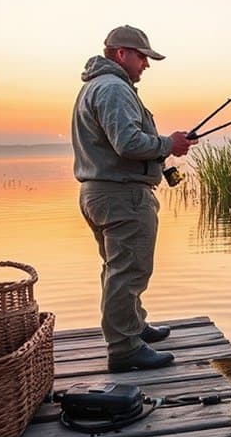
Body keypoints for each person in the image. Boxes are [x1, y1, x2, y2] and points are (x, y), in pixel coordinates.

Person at [71, 25, 196, 373]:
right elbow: (126, 144)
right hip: (121, 195)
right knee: (129, 269)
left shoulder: (98, 87)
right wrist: (167, 145)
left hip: (103, 193)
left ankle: (134, 326)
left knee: (118, 267)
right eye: (142, 56)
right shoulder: (113, 89)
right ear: (121, 53)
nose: (146, 64)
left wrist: (162, 145)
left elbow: (123, 139)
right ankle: (124, 348)